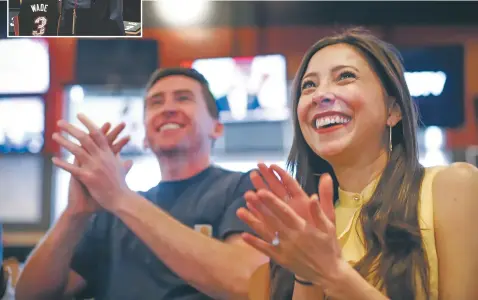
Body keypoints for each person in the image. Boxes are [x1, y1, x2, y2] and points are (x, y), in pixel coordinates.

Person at [237, 28, 478, 300]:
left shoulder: (453, 187)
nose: (320, 95)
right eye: (309, 85)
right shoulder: (300, 227)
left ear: (393, 110)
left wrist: (334, 275)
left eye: (345, 77)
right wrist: (307, 275)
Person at [16, 68, 268, 300]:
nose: (167, 109)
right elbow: (29, 295)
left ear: (217, 127)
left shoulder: (245, 187)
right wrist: (74, 214)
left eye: (183, 98)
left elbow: (247, 283)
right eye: (155, 102)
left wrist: (120, 197)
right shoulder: (111, 216)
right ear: (146, 137)